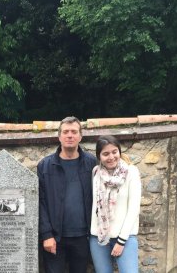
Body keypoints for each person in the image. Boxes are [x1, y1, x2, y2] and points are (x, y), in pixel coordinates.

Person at [38, 116, 97, 273]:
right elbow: (40, 202)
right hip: (55, 238)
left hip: (83, 237)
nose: (70, 135)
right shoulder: (45, 166)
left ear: (80, 136)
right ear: (59, 136)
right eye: (65, 132)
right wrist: (46, 234)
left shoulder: (92, 163)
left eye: (74, 132)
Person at [89, 135, 141, 273]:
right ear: (99, 156)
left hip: (125, 237)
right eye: (105, 154)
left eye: (114, 152)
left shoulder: (131, 172)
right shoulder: (95, 173)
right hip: (98, 237)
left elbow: (133, 209)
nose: (111, 157)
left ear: (119, 152)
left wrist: (121, 241)